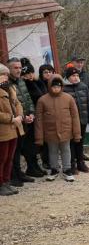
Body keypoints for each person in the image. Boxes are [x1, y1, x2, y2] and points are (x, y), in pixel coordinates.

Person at [35, 76, 81, 182]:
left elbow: (75, 116)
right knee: (52, 151)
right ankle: (54, 169)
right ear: (49, 86)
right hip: (50, 132)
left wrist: (77, 133)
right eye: (53, 86)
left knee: (66, 150)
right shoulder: (42, 100)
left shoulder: (68, 98)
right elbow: (38, 120)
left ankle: (67, 169)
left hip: (66, 130)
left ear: (62, 86)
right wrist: (39, 137)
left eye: (58, 86)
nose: (56, 88)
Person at [7, 58, 39, 185]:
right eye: (15, 68)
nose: (19, 70)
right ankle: (12, 175)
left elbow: (28, 99)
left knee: (21, 147)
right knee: (13, 150)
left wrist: (31, 113)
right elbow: (10, 105)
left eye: (20, 68)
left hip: (25, 120)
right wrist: (22, 116)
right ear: (9, 69)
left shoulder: (21, 81)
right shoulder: (6, 83)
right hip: (15, 121)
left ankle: (19, 172)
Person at [63, 67, 89, 173]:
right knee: (71, 143)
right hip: (70, 121)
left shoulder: (83, 86)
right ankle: (72, 164)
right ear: (68, 77)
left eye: (77, 76)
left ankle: (81, 163)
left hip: (82, 119)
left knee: (80, 142)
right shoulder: (64, 88)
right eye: (73, 76)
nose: (76, 78)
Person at [19, 59, 46, 176]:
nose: (29, 76)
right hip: (28, 116)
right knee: (29, 143)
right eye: (27, 74)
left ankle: (35, 165)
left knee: (35, 142)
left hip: (37, 116)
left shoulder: (35, 82)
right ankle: (31, 166)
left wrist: (37, 81)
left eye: (31, 73)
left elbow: (43, 93)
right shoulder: (24, 85)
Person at [0, 64, 24, 195]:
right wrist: (11, 118)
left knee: (10, 157)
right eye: (2, 75)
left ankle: (6, 181)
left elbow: (17, 103)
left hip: (13, 129)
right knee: (1, 158)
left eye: (5, 75)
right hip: (2, 131)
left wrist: (20, 115)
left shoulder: (11, 89)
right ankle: (0, 184)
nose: (5, 77)